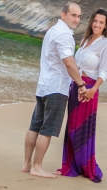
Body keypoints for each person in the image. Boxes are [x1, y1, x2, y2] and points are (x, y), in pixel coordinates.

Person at [21, 2, 88, 178]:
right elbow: (68, 62)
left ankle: (27, 164)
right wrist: (81, 84)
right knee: (47, 129)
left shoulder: (52, 31)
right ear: (63, 15)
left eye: (79, 16)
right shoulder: (64, 35)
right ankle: (37, 166)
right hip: (56, 89)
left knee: (35, 126)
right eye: (73, 15)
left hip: (43, 86)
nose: (77, 19)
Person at [56, 8, 107, 183]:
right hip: (76, 86)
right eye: (95, 21)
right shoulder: (85, 40)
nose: (97, 24)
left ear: (105, 25)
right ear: (91, 21)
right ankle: (71, 165)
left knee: (83, 129)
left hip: (90, 88)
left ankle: (85, 166)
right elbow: (74, 64)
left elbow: (104, 71)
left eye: (101, 22)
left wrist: (93, 90)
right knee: (72, 126)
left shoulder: (105, 43)